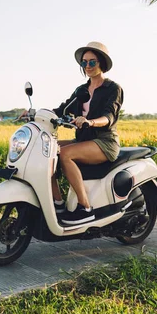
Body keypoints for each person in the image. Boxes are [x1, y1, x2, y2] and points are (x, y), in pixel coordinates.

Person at [52, 41, 123, 225]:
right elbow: (62, 109)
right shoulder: (81, 90)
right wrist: (35, 113)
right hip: (84, 140)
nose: (88, 66)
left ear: (102, 64)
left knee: (65, 154)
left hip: (104, 142)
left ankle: (85, 208)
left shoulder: (113, 88)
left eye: (92, 62)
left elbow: (109, 116)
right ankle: (58, 202)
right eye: (84, 63)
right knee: (47, 150)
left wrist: (90, 122)